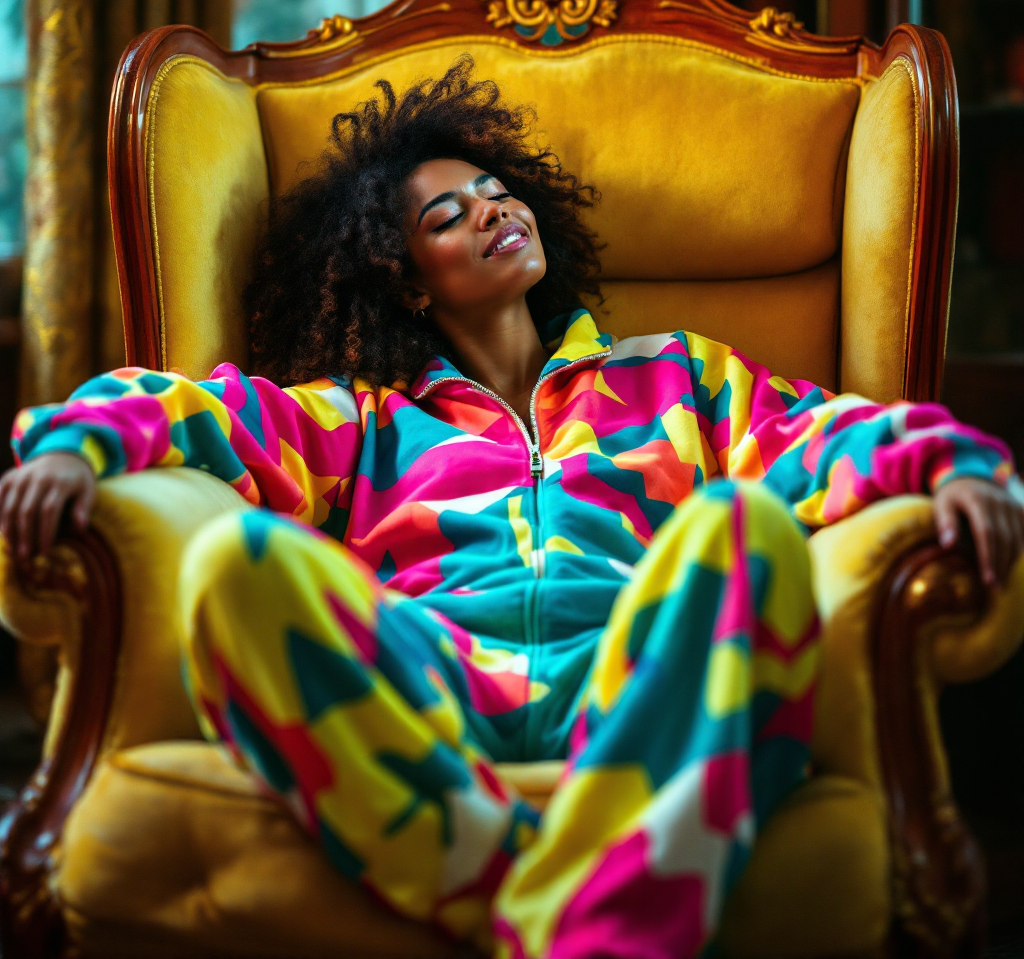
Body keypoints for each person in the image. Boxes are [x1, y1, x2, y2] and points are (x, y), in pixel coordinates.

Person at [2, 58, 1022, 959]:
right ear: (404, 282)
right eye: (447, 215)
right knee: (237, 567)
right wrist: (73, 442)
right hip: (426, 702)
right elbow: (202, 411)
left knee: (745, 532)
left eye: (498, 194)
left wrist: (953, 465)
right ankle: (560, 909)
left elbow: (820, 436)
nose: (494, 211)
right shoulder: (364, 421)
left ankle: (545, 910)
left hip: (640, 694)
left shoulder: (673, 376)